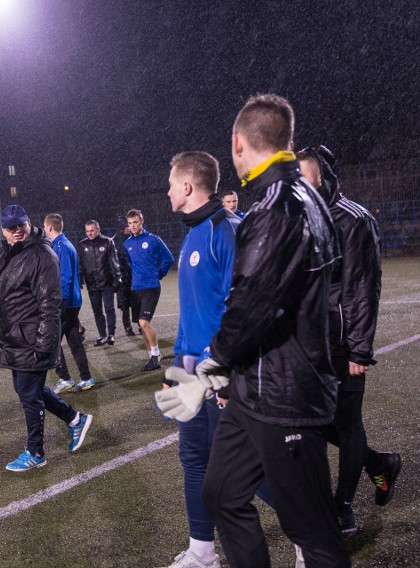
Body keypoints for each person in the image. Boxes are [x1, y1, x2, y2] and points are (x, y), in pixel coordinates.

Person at [196, 94, 350, 567]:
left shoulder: (277, 205)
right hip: (257, 388)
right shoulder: (308, 196)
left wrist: (212, 362)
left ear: (237, 144)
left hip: (284, 395)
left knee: (314, 533)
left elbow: (252, 306)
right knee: (222, 493)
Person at [298, 145, 401, 532]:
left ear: (322, 177)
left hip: (342, 343)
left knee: (346, 422)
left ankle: (342, 505)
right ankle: (379, 464)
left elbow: (363, 287)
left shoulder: (354, 219)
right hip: (308, 343)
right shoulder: (302, 219)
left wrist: (359, 348)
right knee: (311, 421)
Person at [159, 152, 241, 568]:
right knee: (193, 460)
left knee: (248, 472)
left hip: (221, 377)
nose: (169, 190)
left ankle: (309, 539)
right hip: (192, 377)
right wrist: (176, 372)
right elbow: (192, 314)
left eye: (172, 183)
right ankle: (202, 552)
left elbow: (241, 311)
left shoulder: (225, 231)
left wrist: (220, 376)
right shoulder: (192, 233)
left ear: (188, 187)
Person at [0, 204, 93, 472]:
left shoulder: (42, 254)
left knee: (28, 393)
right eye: (11, 228)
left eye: (20, 225)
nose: (17, 231)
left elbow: (51, 303)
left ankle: (36, 452)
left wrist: (45, 343)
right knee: (28, 390)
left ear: (29, 223)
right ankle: (75, 419)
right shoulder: (6, 253)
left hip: (31, 337)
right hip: (14, 337)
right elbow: (0, 295)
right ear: (3, 230)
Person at [43, 213, 95, 393]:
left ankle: (65, 378)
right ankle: (86, 377)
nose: (44, 230)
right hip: (72, 301)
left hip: (66, 302)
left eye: (44, 227)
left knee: (52, 341)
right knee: (74, 341)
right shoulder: (64, 243)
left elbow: (64, 276)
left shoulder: (61, 246)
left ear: (49, 227)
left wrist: (60, 301)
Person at [123, 209, 175, 371]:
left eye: (135, 222)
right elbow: (131, 264)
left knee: (144, 322)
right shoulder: (127, 244)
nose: (133, 226)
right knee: (141, 324)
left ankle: (155, 355)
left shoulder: (154, 240)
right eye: (130, 223)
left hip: (151, 286)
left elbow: (169, 259)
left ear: (142, 222)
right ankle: (151, 356)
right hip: (135, 287)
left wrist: (159, 274)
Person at [78, 220, 122, 346]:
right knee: (97, 311)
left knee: (109, 309)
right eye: (87, 231)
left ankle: (111, 335)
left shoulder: (107, 242)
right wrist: (80, 278)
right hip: (92, 284)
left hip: (106, 282)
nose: (89, 233)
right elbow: (80, 264)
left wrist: (117, 277)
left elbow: (114, 261)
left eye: (92, 231)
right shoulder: (82, 245)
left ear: (98, 230)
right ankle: (102, 335)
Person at [113, 219, 140, 336]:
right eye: (126, 226)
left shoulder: (133, 239)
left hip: (133, 276)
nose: (129, 228)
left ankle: (140, 324)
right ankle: (127, 327)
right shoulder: (113, 241)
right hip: (121, 278)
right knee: (124, 305)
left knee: (136, 302)